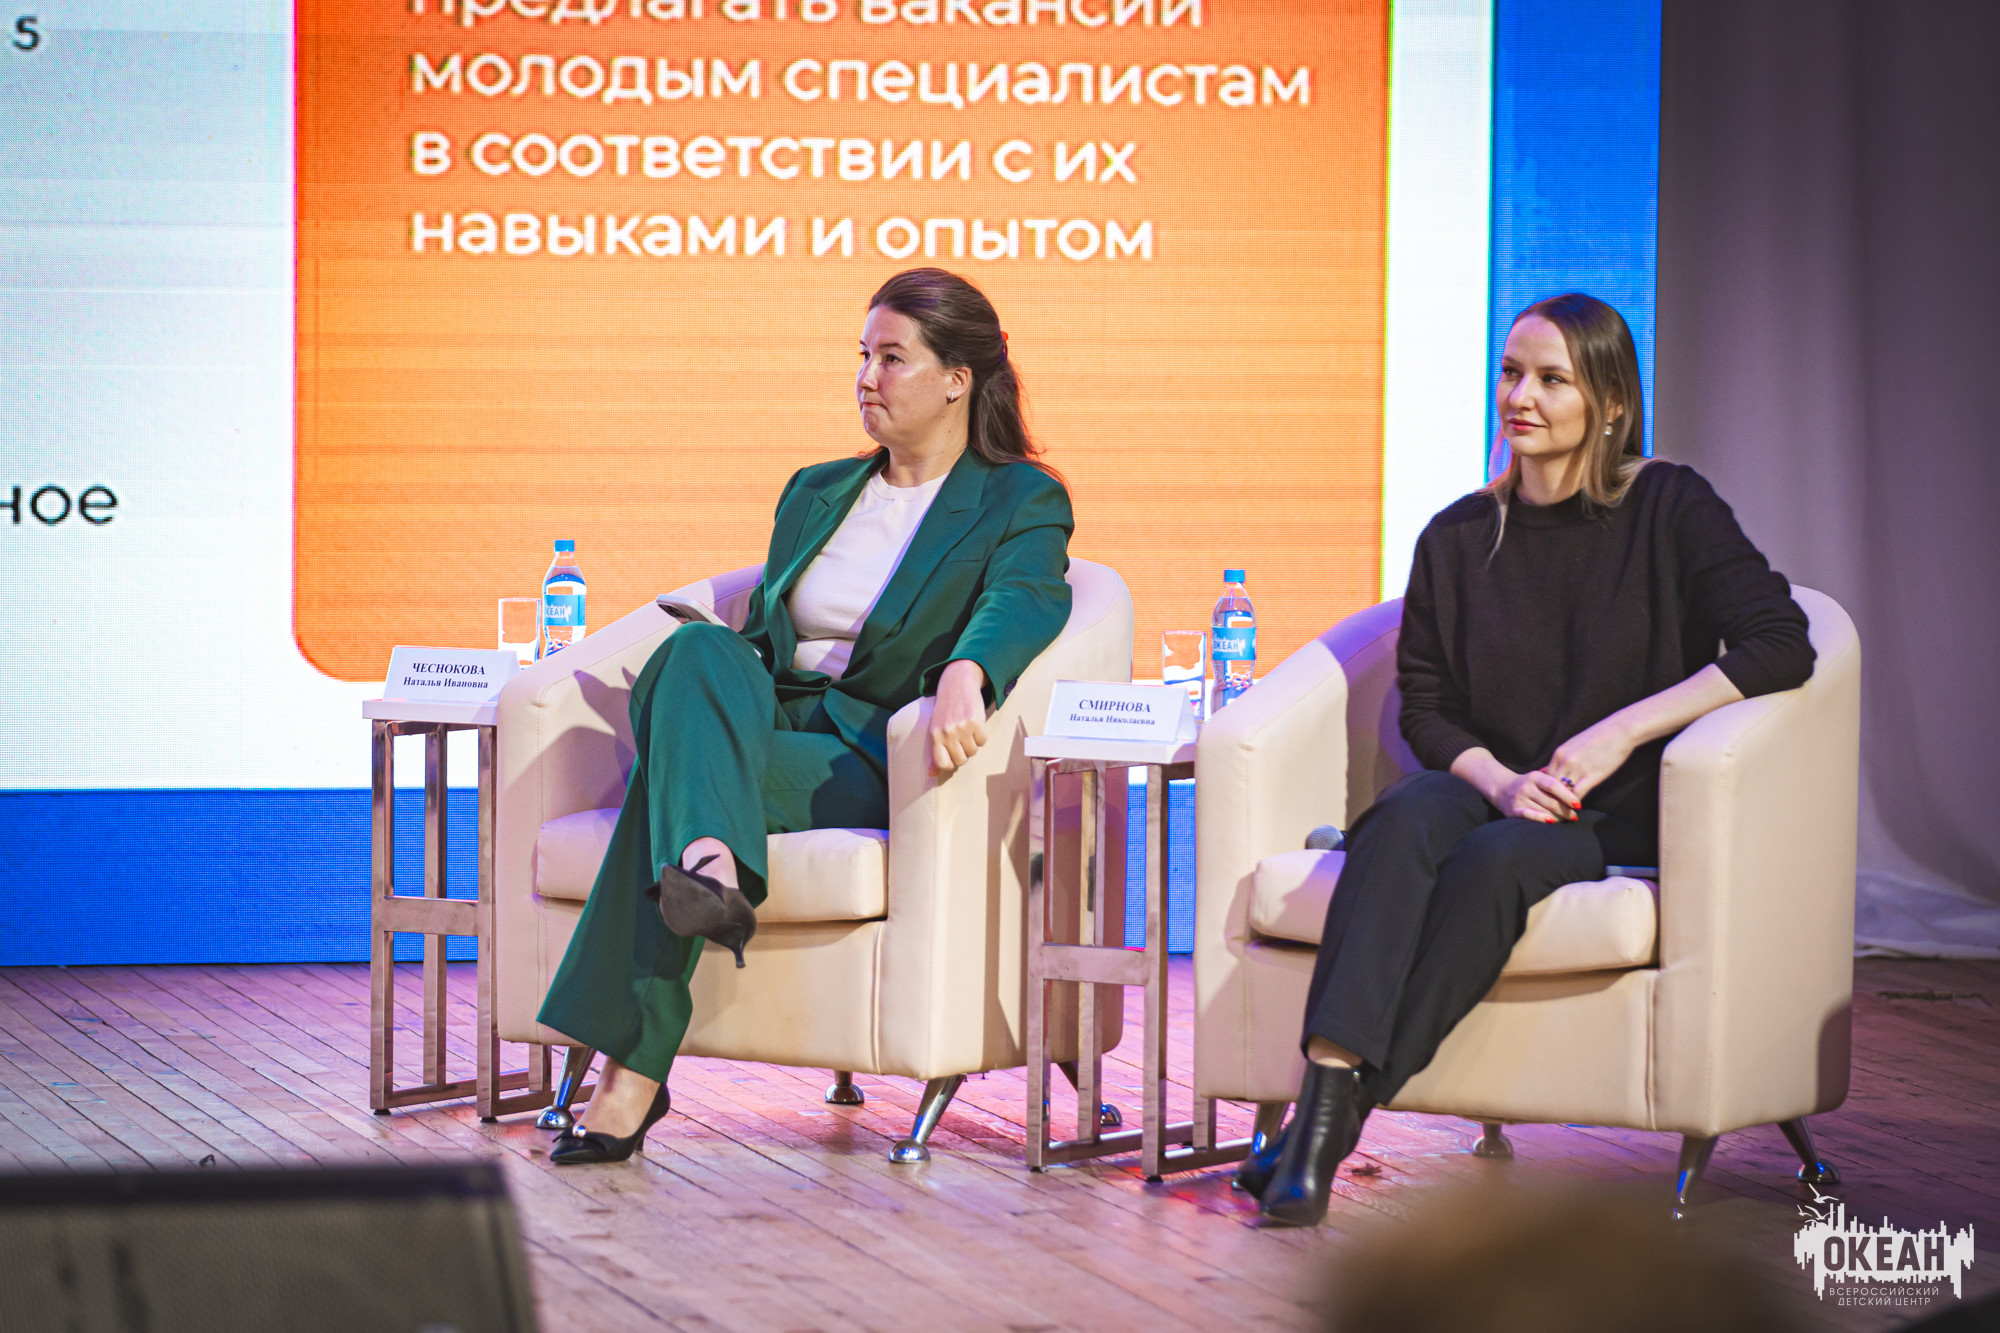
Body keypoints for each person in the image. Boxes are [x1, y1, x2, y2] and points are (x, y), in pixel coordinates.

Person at [1248, 293, 1817, 1224]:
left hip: (1609, 808)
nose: (1521, 397)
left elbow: (1780, 642)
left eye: (1552, 379)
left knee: (1493, 861)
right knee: (1401, 819)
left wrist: (1621, 731)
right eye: (1512, 373)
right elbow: (1427, 707)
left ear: (1611, 403)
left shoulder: (1669, 505)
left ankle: (1320, 1134)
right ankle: (1327, 1096)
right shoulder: (1458, 535)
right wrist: (1502, 779)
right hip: (1496, 784)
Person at [538, 268, 1075, 1165]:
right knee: (697, 647)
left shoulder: (1018, 496)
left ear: (957, 378)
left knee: (670, 785)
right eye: (862, 355)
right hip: (763, 723)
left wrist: (967, 670)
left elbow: (1025, 593)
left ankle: (634, 1065)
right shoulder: (816, 489)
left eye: (892, 358)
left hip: (862, 754)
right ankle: (710, 862)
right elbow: (765, 632)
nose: (866, 377)